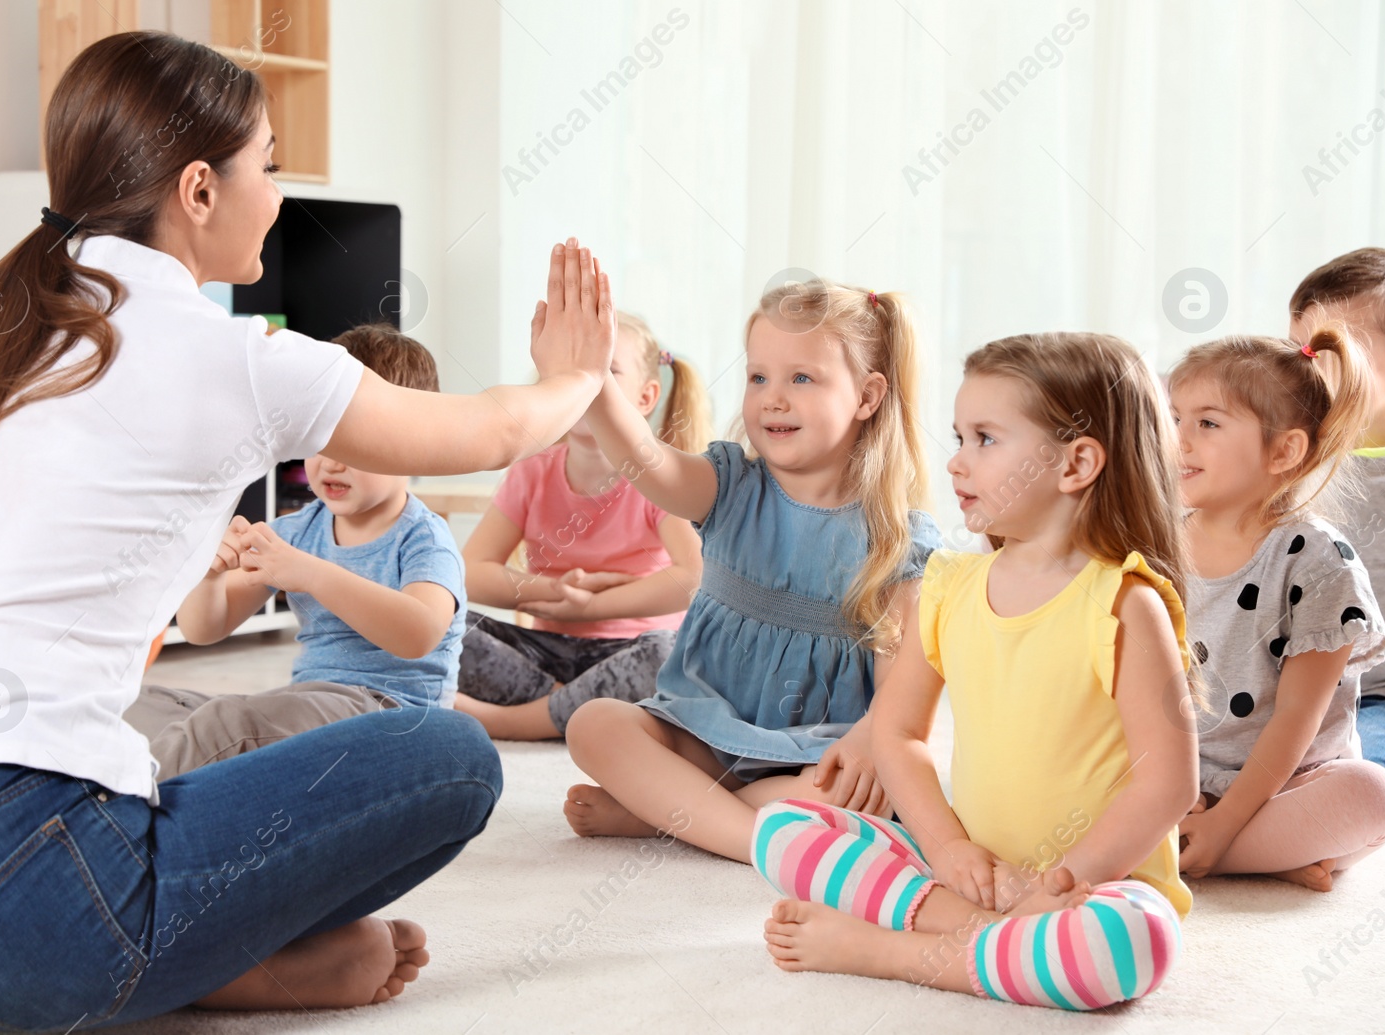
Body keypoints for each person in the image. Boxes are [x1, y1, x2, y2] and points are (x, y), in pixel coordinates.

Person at [0, 32, 613, 1032]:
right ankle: (199, 966)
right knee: (449, 755)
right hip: (4, 894)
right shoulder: (228, 356)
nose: (276, 193)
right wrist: (574, 376)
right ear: (196, 191)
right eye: (266, 164)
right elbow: (485, 430)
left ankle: (149, 963)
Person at [751, 332, 1195, 1010]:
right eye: (960, 436)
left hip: (1095, 887)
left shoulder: (1125, 605)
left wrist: (1057, 884)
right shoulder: (947, 586)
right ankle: (998, 938)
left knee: (1129, 943)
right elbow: (896, 734)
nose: (957, 462)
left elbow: (1168, 784)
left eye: (985, 439)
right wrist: (950, 846)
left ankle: (892, 951)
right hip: (972, 872)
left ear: (1076, 463)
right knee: (783, 827)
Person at [563, 279, 942, 862]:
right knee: (594, 724)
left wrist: (869, 741)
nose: (773, 398)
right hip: (702, 732)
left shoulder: (898, 540)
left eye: (802, 378)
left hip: (813, 755)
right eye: (759, 377)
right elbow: (648, 462)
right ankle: (753, 838)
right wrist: (592, 381)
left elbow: (900, 694)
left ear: (868, 396)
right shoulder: (729, 485)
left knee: (878, 797)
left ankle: (674, 813)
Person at [127, 324, 470, 779]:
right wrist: (208, 575)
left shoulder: (423, 537)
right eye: (321, 436)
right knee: (140, 702)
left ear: (415, 444)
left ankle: (126, 800)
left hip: (392, 723)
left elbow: (419, 633)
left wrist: (310, 574)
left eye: (356, 440)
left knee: (225, 725)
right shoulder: (297, 530)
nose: (332, 460)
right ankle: (151, 773)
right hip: (308, 706)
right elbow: (203, 629)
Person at [1170, 331, 1385, 892]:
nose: (1178, 440)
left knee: (1372, 798)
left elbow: (1297, 720)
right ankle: (1264, 857)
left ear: (1283, 452)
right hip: (1176, 770)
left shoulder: (1319, 562)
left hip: (1287, 776)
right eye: (1174, 418)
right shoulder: (1156, 541)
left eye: (1208, 423)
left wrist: (1223, 823)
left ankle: (1203, 852)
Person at [453, 310, 708, 740]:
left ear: (646, 397)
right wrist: (552, 593)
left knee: (670, 656)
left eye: (606, 372)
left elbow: (695, 578)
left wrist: (591, 608)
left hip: (635, 650)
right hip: (546, 654)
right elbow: (470, 572)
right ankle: (566, 705)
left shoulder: (660, 472)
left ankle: (519, 721)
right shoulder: (532, 472)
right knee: (445, 623)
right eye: (569, 373)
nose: (584, 386)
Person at [1287, 249, 1385, 775]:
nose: (1308, 368)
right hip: (1286, 693)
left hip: (1378, 700)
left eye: (1334, 349)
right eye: (1298, 351)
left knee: (1360, 773)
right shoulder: (1287, 456)